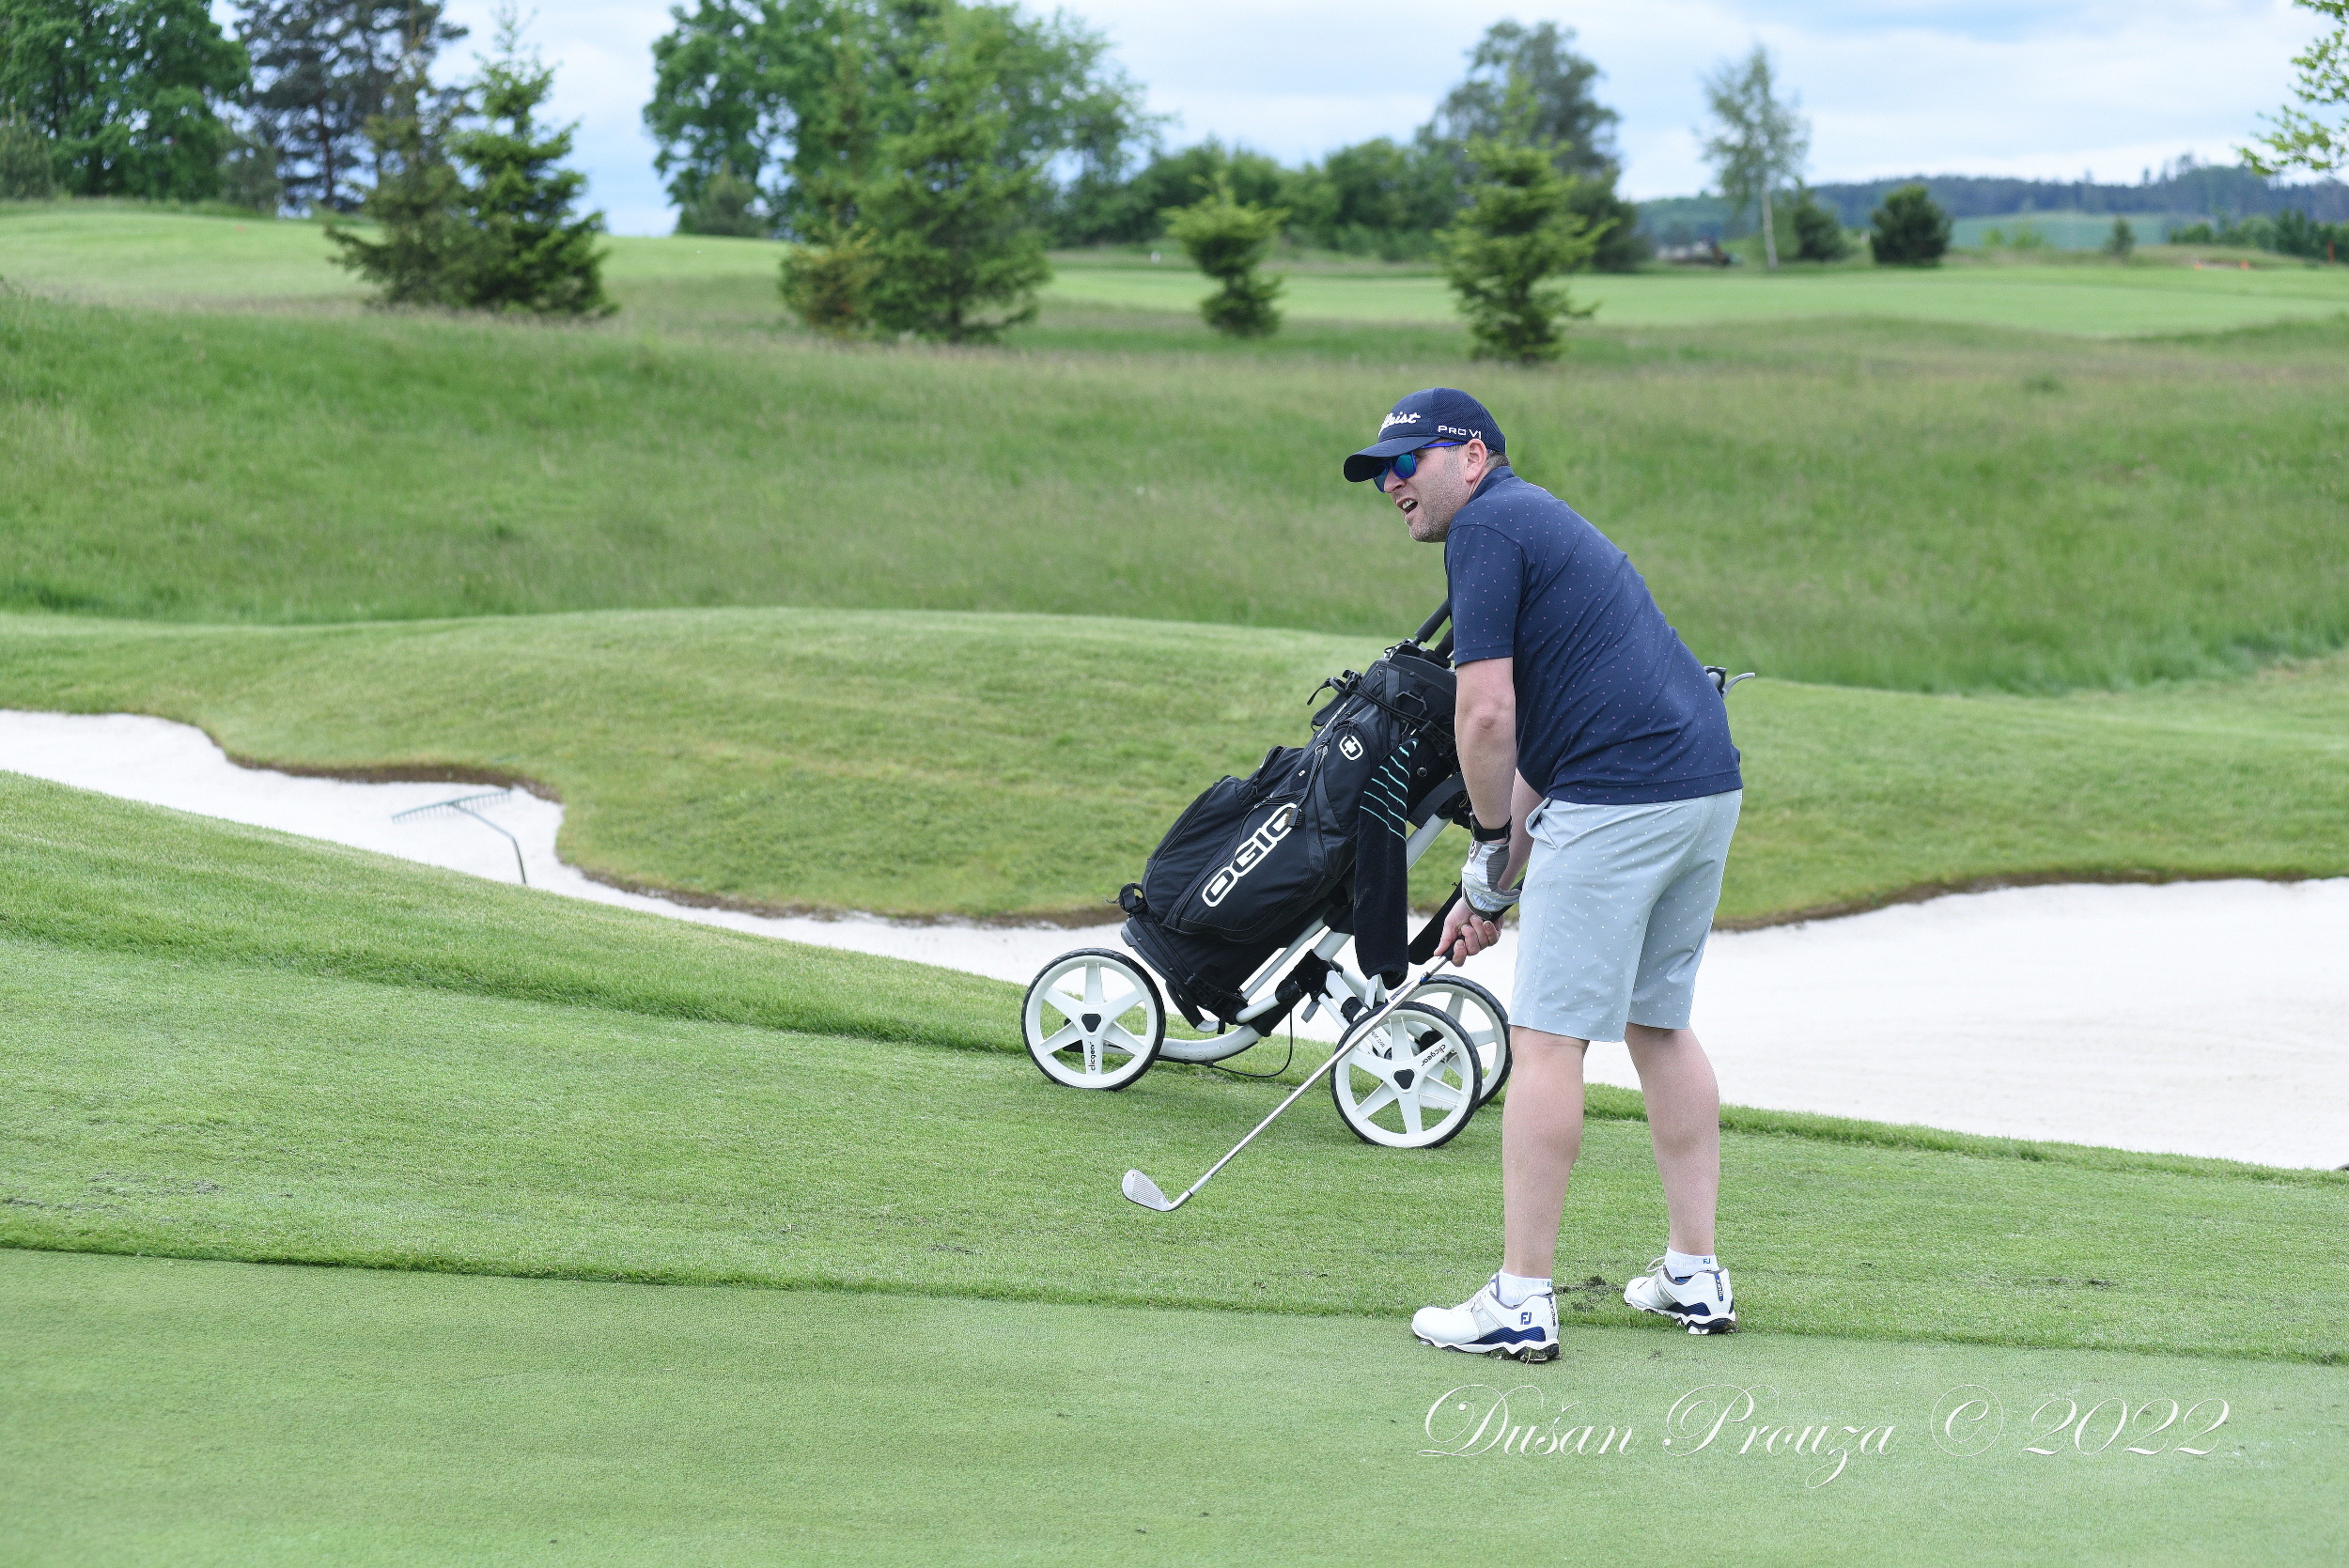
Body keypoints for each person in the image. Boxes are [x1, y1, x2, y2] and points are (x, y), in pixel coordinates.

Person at [1340, 388, 1746, 1360]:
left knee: (1548, 1038)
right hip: (1700, 785)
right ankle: (1694, 1273)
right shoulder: (1533, 520)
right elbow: (1540, 747)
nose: (1392, 482)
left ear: (1472, 457)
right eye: (1381, 470)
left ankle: (1520, 1299)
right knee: (1656, 1020)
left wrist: (1488, 839)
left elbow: (1484, 716)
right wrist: (1491, 882)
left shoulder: (1484, 530)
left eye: (1409, 461)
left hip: (1621, 795)